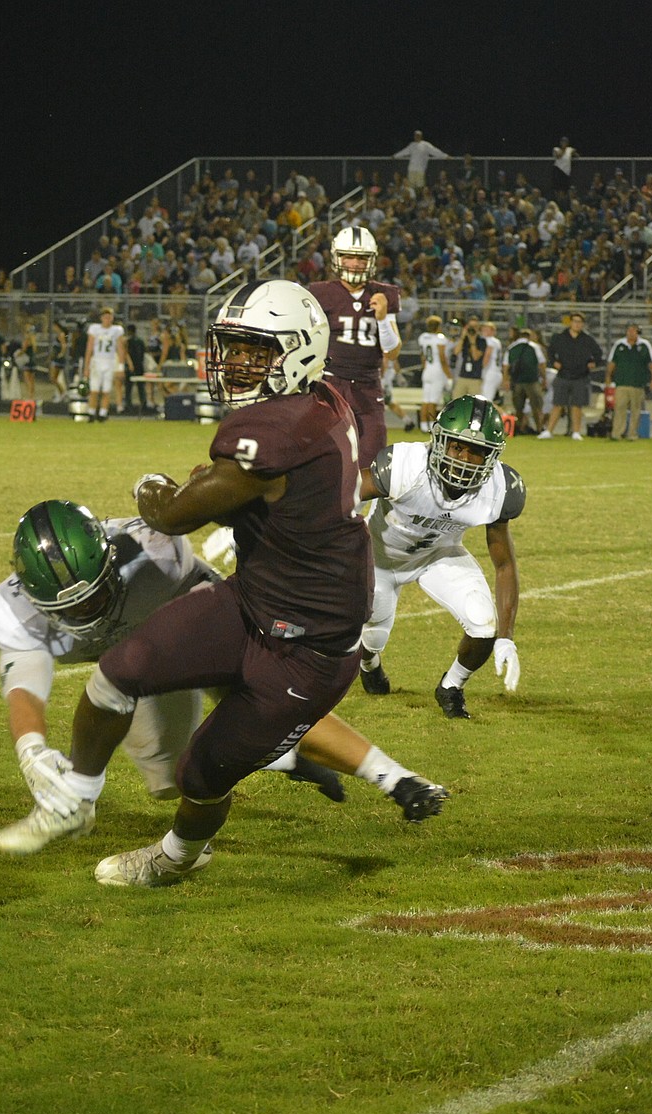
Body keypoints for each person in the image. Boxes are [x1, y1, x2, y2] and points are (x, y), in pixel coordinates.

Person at [22, 279, 445, 887]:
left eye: (255, 351)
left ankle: (176, 857)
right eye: (234, 347)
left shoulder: (274, 433)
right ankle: (80, 795)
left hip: (309, 649)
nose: (237, 363)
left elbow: (171, 513)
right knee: (118, 672)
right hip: (253, 601)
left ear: (298, 349)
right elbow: (260, 493)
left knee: (201, 774)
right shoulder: (323, 394)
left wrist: (152, 484)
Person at [0, 500, 447, 855]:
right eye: (71, 608)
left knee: (261, 701)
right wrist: (31, 751)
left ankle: (391, 776)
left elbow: (257, 680)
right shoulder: (12, 611)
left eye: (94, 595)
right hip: (127, 655)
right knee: (165, 771)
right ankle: (74, 802)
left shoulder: (156, 558)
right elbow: (25, 681)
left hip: (165, 624)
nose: (89, 612)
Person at [358, 396, 523, 720]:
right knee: (374, 634)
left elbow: (504, 564)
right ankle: (369, 664)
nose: (465, 458)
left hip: (438, 555)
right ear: (439, 441)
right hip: (379, 556)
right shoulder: (404, 465)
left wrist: (506, 639)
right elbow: (336, 496)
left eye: (476, 451)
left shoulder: (500, 488)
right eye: (458, 447)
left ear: (491, 456)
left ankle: (451, 687)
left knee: (483, 625)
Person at [308, 226, 401, 467]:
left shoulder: (384, 294)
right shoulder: (320, 293)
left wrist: (382, 318)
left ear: (371, 261)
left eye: (361, 258)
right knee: (324, 457)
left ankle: (363, 506)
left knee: (372, 460)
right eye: (348, 256)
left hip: (368, 387)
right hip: (330, 383)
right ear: (336, 258)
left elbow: (392, 350)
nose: (354, 263)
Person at [539, 312, 603, 440]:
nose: (577, 324)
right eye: (575, 321)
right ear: (570, 323)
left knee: (577, 405)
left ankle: (576, 432)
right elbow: (550, 351)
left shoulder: (587, 339)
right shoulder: (560, 337)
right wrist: (554, 363)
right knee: (557, 404)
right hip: (563, 374)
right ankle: (549, 431)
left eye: (580, 322)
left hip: (580, 376)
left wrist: (592, 363)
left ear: (583, 324)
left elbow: (598, 353)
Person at [605, 324, 652, 440]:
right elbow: (612, 362)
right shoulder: (619, 344)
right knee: (619, 408)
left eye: (634, 331)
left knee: (636, 410)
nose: (631, 333)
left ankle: (632, 434)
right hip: (621, 382)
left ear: (638, 332)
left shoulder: (644, 345)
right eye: (629, 330)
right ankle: (617, 433)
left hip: (637, 383)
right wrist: (608, 377)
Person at [83, 306, 125, 421]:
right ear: (101, 318)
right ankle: (91, 412)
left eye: (109, 316)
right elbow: (89, 349)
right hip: (97, 361)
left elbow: (120, 349)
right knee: (94, 389)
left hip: (110, 361)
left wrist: (121, 366)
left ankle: (103, 413)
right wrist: (86, 367)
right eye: (105, 317)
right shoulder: (95, 329)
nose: (107, 319)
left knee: (106, 390)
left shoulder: (117, 330)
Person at [504, 329, 546, 434]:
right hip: (532, 380)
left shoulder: (512, 347)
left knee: (519, 407)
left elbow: (505, 366)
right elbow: (542, 364)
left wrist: (505, 380)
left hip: (517, 381)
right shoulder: (534, 347)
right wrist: (544, 378)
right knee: (536, 406)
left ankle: (518, 428)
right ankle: (539, 428)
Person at [417, 314, 452, 430]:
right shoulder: (440, 338)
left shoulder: (423, 337)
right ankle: (432, 426)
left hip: (427, 370)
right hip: (437, 371)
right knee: (433, 401)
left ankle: (423, 426)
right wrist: (449, 376)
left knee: (425, 400)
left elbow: (422, 356)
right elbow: (442, 358)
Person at [451, 318, 490, 398]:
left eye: (475, 326)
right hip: (462, 376)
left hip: (475, 377)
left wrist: (473, 341)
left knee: (474, 403)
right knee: (456, 401)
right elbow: (456, 352)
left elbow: (475, 357)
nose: (472, 329)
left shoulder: (481, 341)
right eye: (470, 326)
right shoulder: (464, 340)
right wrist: (463, 336)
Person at [123, 323, 147, 414]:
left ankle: (129, 406)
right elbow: (143, 353)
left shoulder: (127, 341)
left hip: (130, 366)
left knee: (128, 387)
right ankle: (143, 404)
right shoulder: (140, 341)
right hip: (139, 366)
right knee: (141, 387)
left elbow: (126, 353)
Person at [480, 321, 504, 404]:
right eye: (483, 329)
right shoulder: (497, 341)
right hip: (496, 372)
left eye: (486, 330)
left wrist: (479, 368)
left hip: (490, 372)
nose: (483, 331)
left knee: (486, 399)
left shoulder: (489, 340)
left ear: (493, 331)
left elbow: (487, 355)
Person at [552, 137, 577, 207]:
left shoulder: (570, 149)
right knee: (558, 191)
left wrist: (573, 152)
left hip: (566, 173)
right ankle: (558, 203)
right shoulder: (556, 149)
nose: (564, 143)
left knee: (565, 191)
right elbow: (558, 156)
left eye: (565, 142)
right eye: (563, 142)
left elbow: (575, 153)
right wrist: (564, 149)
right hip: (558, 171)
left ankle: (564, 204)